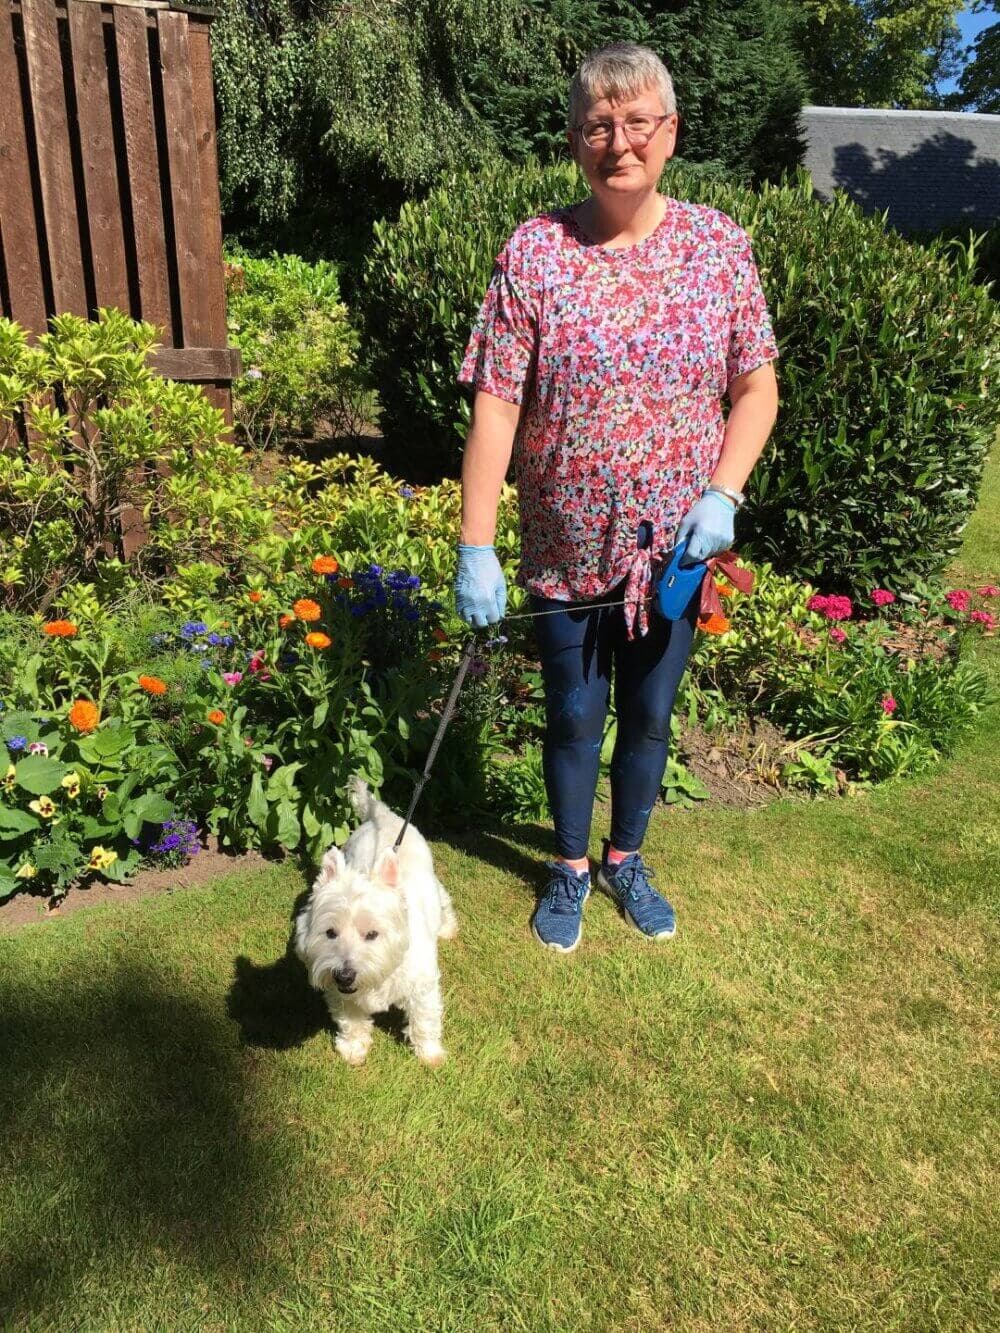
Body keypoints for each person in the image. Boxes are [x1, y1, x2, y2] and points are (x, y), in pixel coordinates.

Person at [454, 42, 779, 953]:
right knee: (570, 714)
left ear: (670, 132)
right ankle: (565, 869)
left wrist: (724, 495)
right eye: (599, 125)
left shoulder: (720, 247)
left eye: (638, 123)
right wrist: (474, 544)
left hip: (676, 550)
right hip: (565, 550)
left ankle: (625, 858)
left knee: (648, 716)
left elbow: (756, 388)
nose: (619, 142)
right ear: (574, 139)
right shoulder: (536, 251)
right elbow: (496, 404)